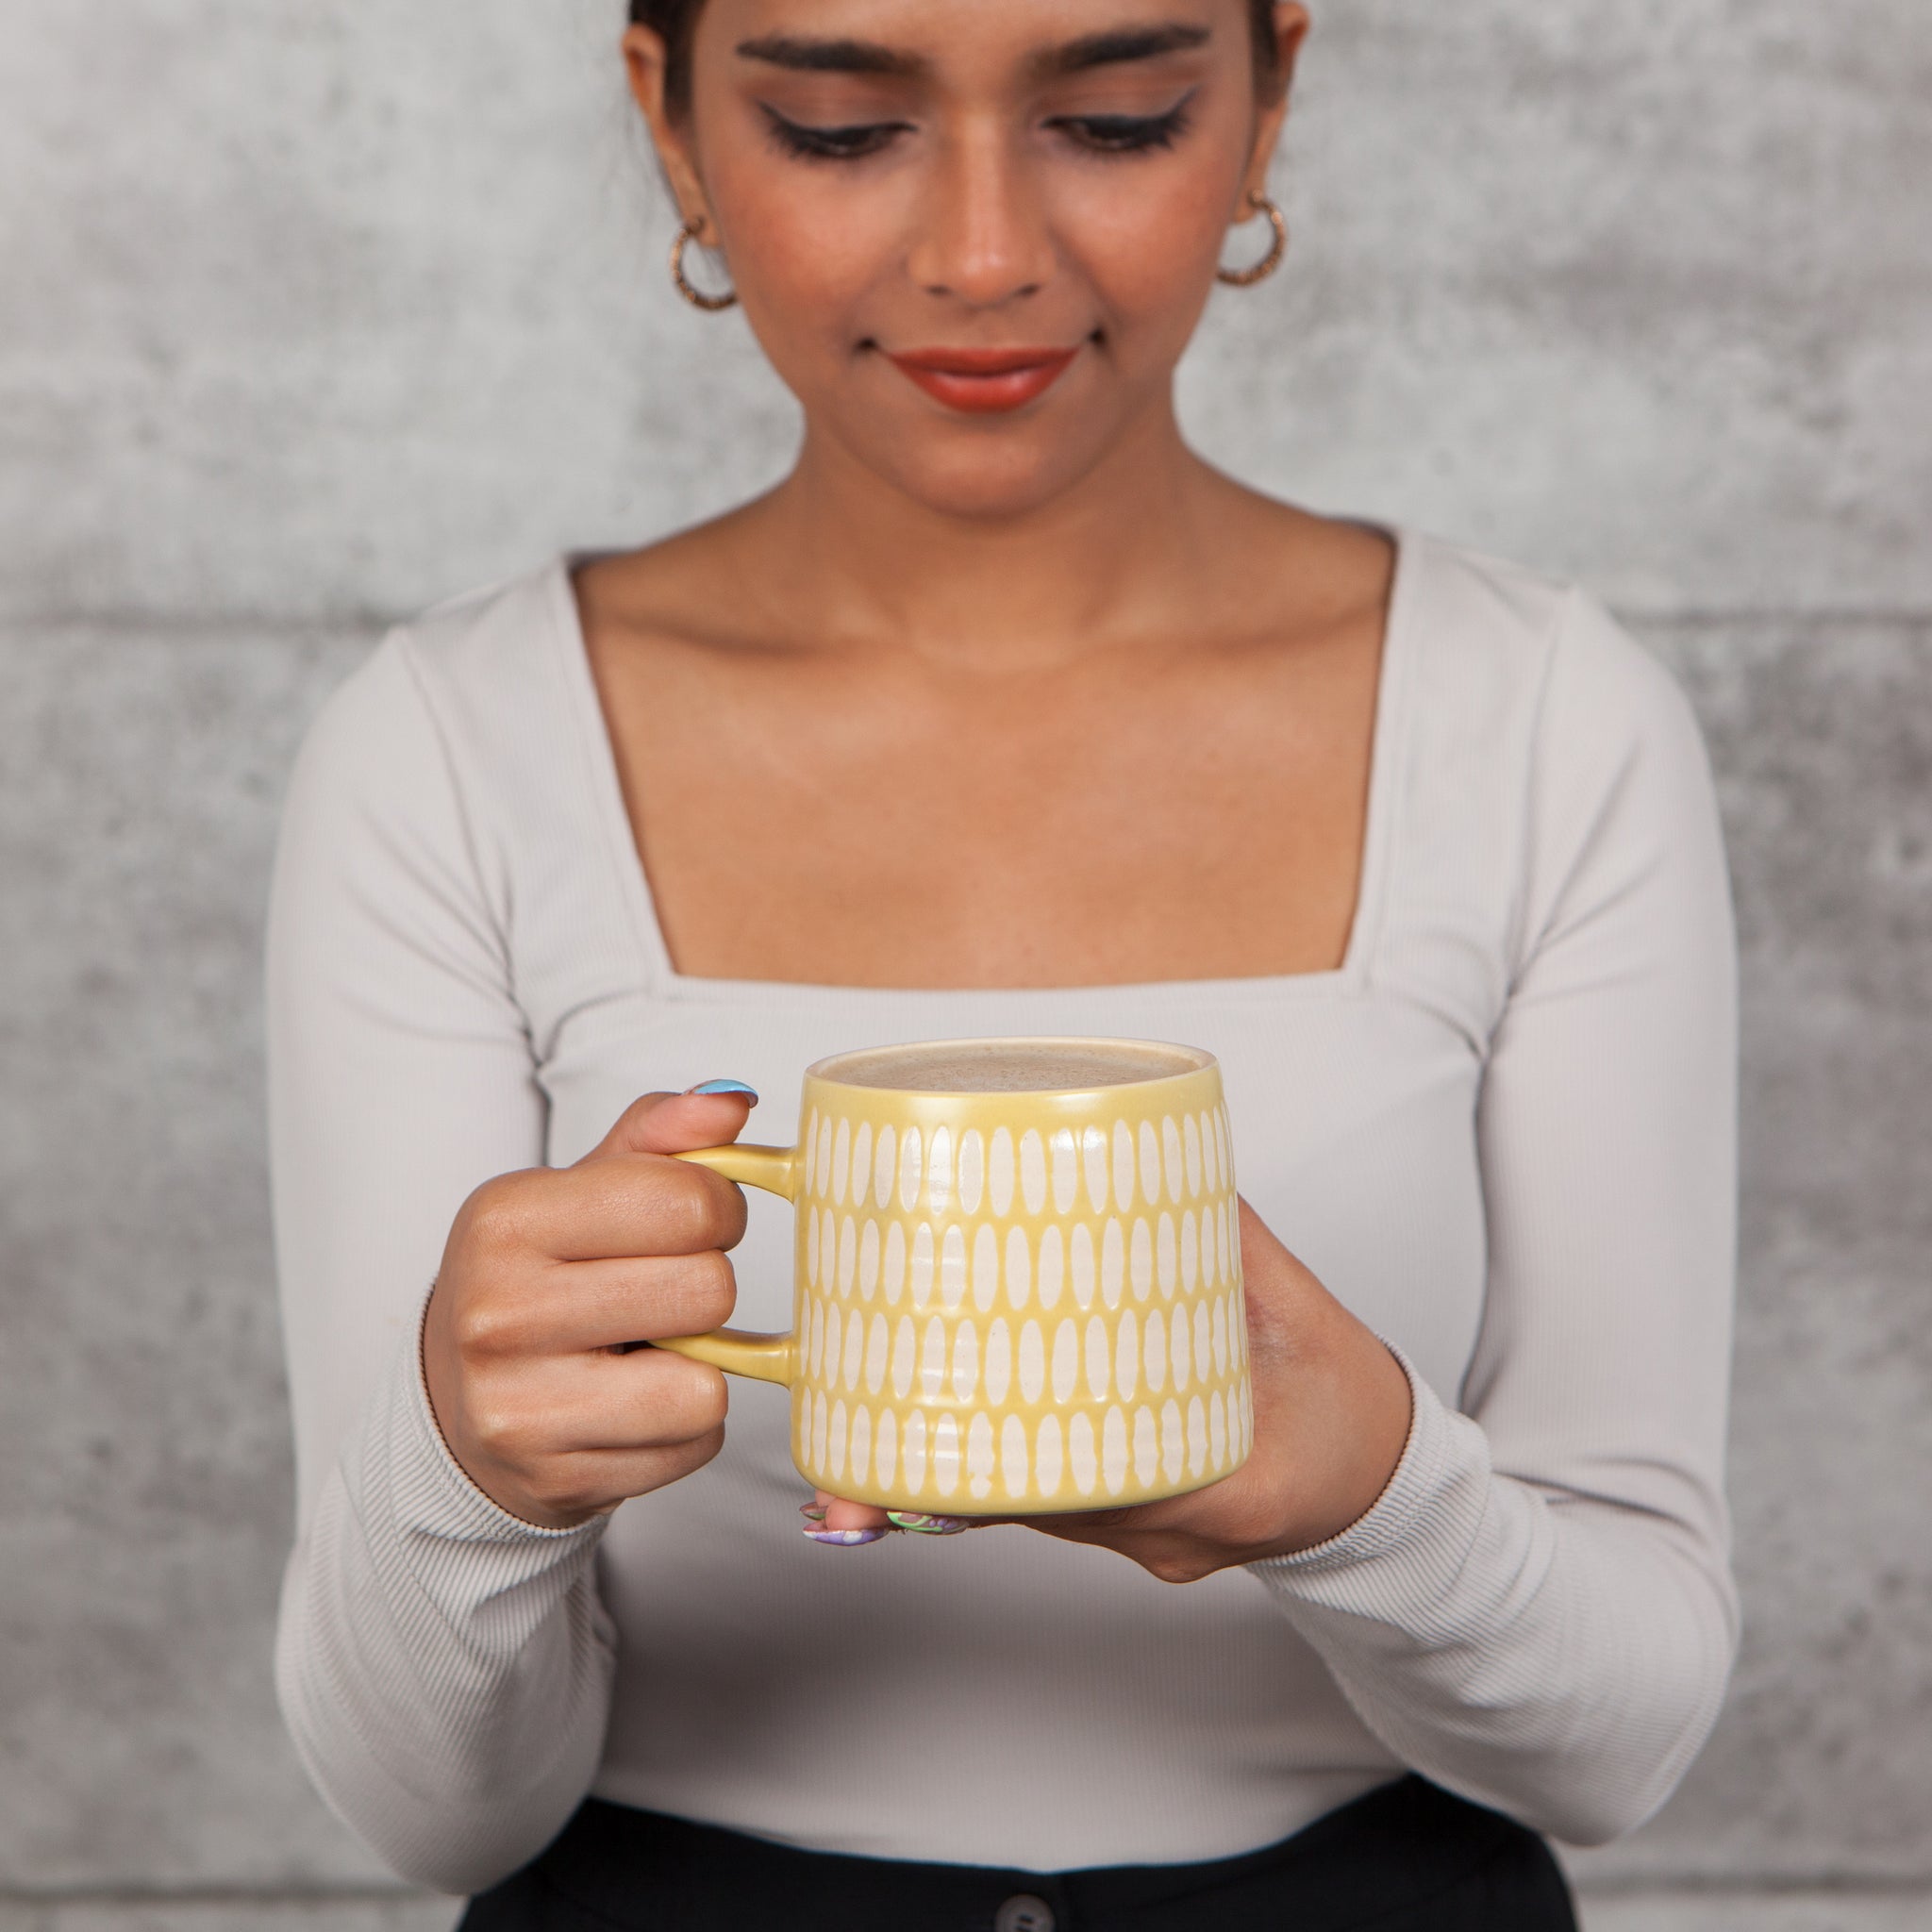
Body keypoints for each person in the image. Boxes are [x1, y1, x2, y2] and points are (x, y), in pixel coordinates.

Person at [266, 2, 1740, 1926]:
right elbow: (431, 1822)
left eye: (1115, 121)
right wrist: (465, 1486)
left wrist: (1378, 1494)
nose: (982, 256)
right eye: (837, 129)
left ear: (1268, 100)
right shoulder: (450, 748)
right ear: (675, 125)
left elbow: (1618, 1747)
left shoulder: (1546, 723)